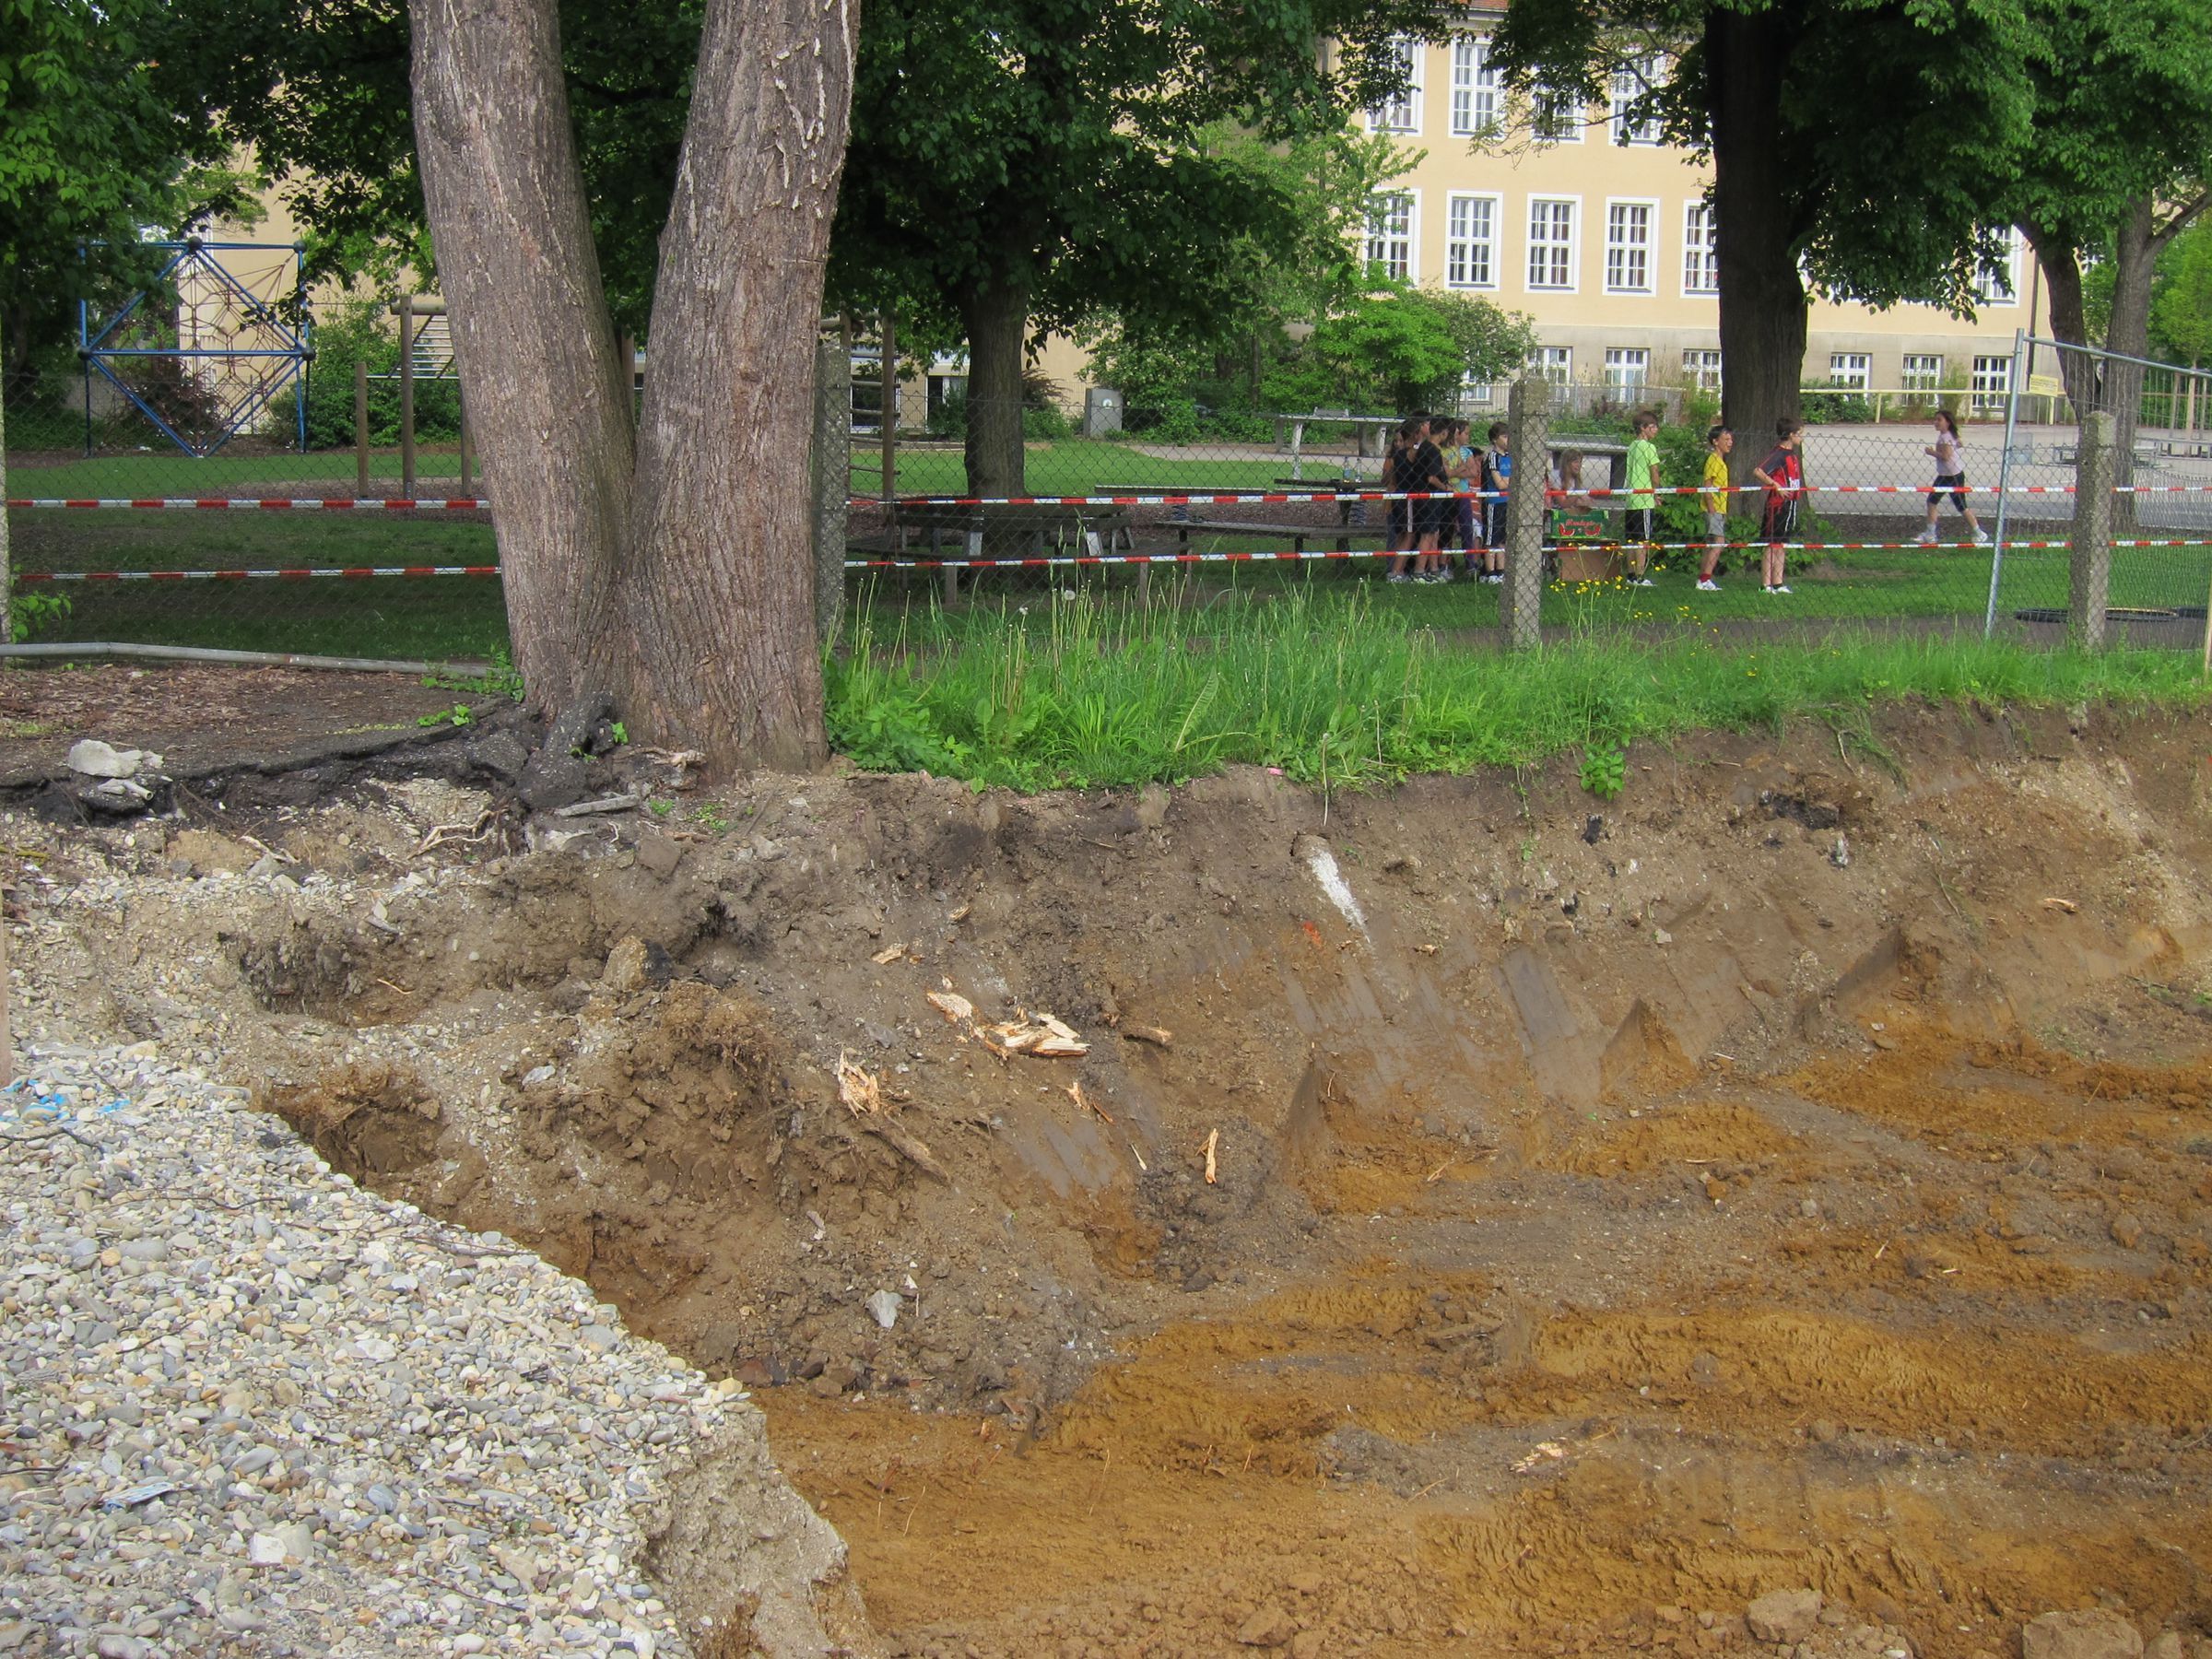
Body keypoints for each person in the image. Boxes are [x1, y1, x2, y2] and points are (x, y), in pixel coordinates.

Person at [1748, 417, 1805, 594]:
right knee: (1772, 543)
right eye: (1800, 435)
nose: (1802, 438)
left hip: (1791, 504)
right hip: (1778, 505)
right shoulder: (1778, 454)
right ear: (1790, 435)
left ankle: (1778, 582)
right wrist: (1776, 485)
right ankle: (1765, 584)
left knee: (1782, 543)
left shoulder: (1792, 455)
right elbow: (1758, 471)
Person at [1917, 410, 1991, 547]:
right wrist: (1953, 444)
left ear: (1948, 422)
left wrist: (1931, 452)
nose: (1936, 422)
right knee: (1932, 501)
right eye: (1935, 420)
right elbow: (1960, 444)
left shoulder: (1946, 437)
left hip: (1953, 476)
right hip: (1945, 475)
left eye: (1939, 420)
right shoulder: (1948, 435)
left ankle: (1979, 533)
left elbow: (1946, 456)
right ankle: (1930, 534)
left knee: (1961, 506)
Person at [1382, 416, 1424, 583]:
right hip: (1406, 497)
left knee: (1403, 534)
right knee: (1408, 535)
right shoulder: (1409, 454)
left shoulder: (1399, 456)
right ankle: (1396, 571)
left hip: (1400, 496)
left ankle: (1397, 569)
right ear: (1414, 435)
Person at [1621, 410, 1661, 585]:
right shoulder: (1649, 447)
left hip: (1631, 498)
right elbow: (1655, 473)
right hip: (1644, 497)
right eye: (1653, 427)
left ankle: (1630, 575)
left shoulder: (1632, 446)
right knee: (1643, 539)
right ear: (1643, 428)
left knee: (1631, 539)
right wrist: (1657, 493)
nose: (1656, 430)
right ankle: (1640, 575)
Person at [1698, 423, 1733, 591]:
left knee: (1712, 543)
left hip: (1720, 508)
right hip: (1714, 509)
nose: (1730, 442)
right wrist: (1712, 508)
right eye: (1726, 439)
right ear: (1715, 441)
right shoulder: (1713, 461)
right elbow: (1708, 486)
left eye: (1731, 439)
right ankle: (1705, 579)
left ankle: (1702, 578)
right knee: (1719, 542)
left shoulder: (1721, 462)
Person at [1479, 422, 1512, 582]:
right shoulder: (1493, 456)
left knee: (1501, 539)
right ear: (1494, 439)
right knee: (1491, 538)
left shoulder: (1508, 457)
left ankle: (1501, 570)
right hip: (1494, 502)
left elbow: (1507, 482)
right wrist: (1508, 482)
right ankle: (1489, 571)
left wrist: (1507, 482)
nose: (1508, 440)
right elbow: (1500, 484)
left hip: (1505, 501)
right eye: (1504, 436)